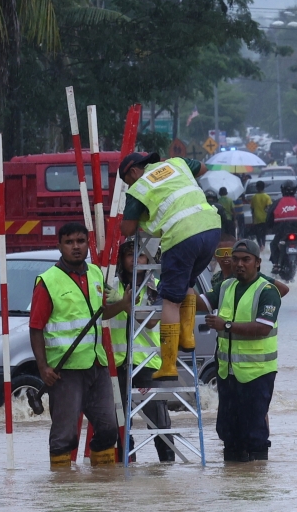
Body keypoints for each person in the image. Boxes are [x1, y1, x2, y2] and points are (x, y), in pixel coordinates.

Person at [29, 222, 129, 468]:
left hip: (97, 364)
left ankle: (101, 484)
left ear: (87, 244)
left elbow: (101, 313)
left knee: (108, 429)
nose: (76, 247)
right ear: (59, 246)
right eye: (69, 242)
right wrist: (43, 368)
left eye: (80, 241)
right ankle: (63, 485)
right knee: (65, 436)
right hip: (65, 370)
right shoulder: (48, 281)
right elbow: (36, 328)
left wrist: (123, 304)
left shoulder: (95, 273)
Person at [119, 152, 221, 383]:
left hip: (181, 236)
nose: (130, 185)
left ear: (133, 171)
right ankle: (187, 337)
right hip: (211, 228)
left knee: (169, 301)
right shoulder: (177, 163)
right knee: (187, 283)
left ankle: (168, 364)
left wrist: (143, 214)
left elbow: (127, 229)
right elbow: (203, 167)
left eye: (128, 181)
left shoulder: (139, 188)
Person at [201, 239, 281, 462]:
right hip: (227, 372)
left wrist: (225, 325)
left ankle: (257, 476)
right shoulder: (226, 286)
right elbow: (199, 302)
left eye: (246, 260)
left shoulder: (267, 291)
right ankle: (233, 479)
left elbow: (263, 328)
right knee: (228, 431)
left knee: (254, 432)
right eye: (235, 259)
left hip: (257, 373)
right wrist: (178, 283)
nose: (239, 264)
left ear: (257, 263)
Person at [106, 240, 176, 462]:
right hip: (118, 363)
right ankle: (126, 466)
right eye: (130, 255)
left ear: (149, 259)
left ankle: (167, 465)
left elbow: (151, 322)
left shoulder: (157, 287)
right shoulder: (112, 285)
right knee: (119, 423)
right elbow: (102, 313)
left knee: (159, 422)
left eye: (141, 255)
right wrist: (121, 302)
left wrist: (125, 305)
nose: (135, 260)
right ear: (121, 259)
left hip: (147, 363)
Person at [210, 233, 290, 298]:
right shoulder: (215, 278)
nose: (225, 256)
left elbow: (283, 289)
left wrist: (263, 303)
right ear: (214, 255)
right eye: (220, 252)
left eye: (229, 252)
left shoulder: (246, 275)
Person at [267, 180, 297, 268]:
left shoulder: (276, 203)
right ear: (295, 190)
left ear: (282, 190)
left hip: (281, 230)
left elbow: (269, 219)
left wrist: (270, 227)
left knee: (274, 244)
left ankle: (276, 264)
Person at [249, 180, 272, 250]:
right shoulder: (267, 197)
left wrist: (253, 219)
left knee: (258, 233)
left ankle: (260, 245)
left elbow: (252, 209)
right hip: (265, 218)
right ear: (264, 187)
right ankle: (264, 245)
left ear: (256, 188)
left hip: (257, 218)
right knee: (263, 233)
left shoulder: (254, 197)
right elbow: (269, 207)